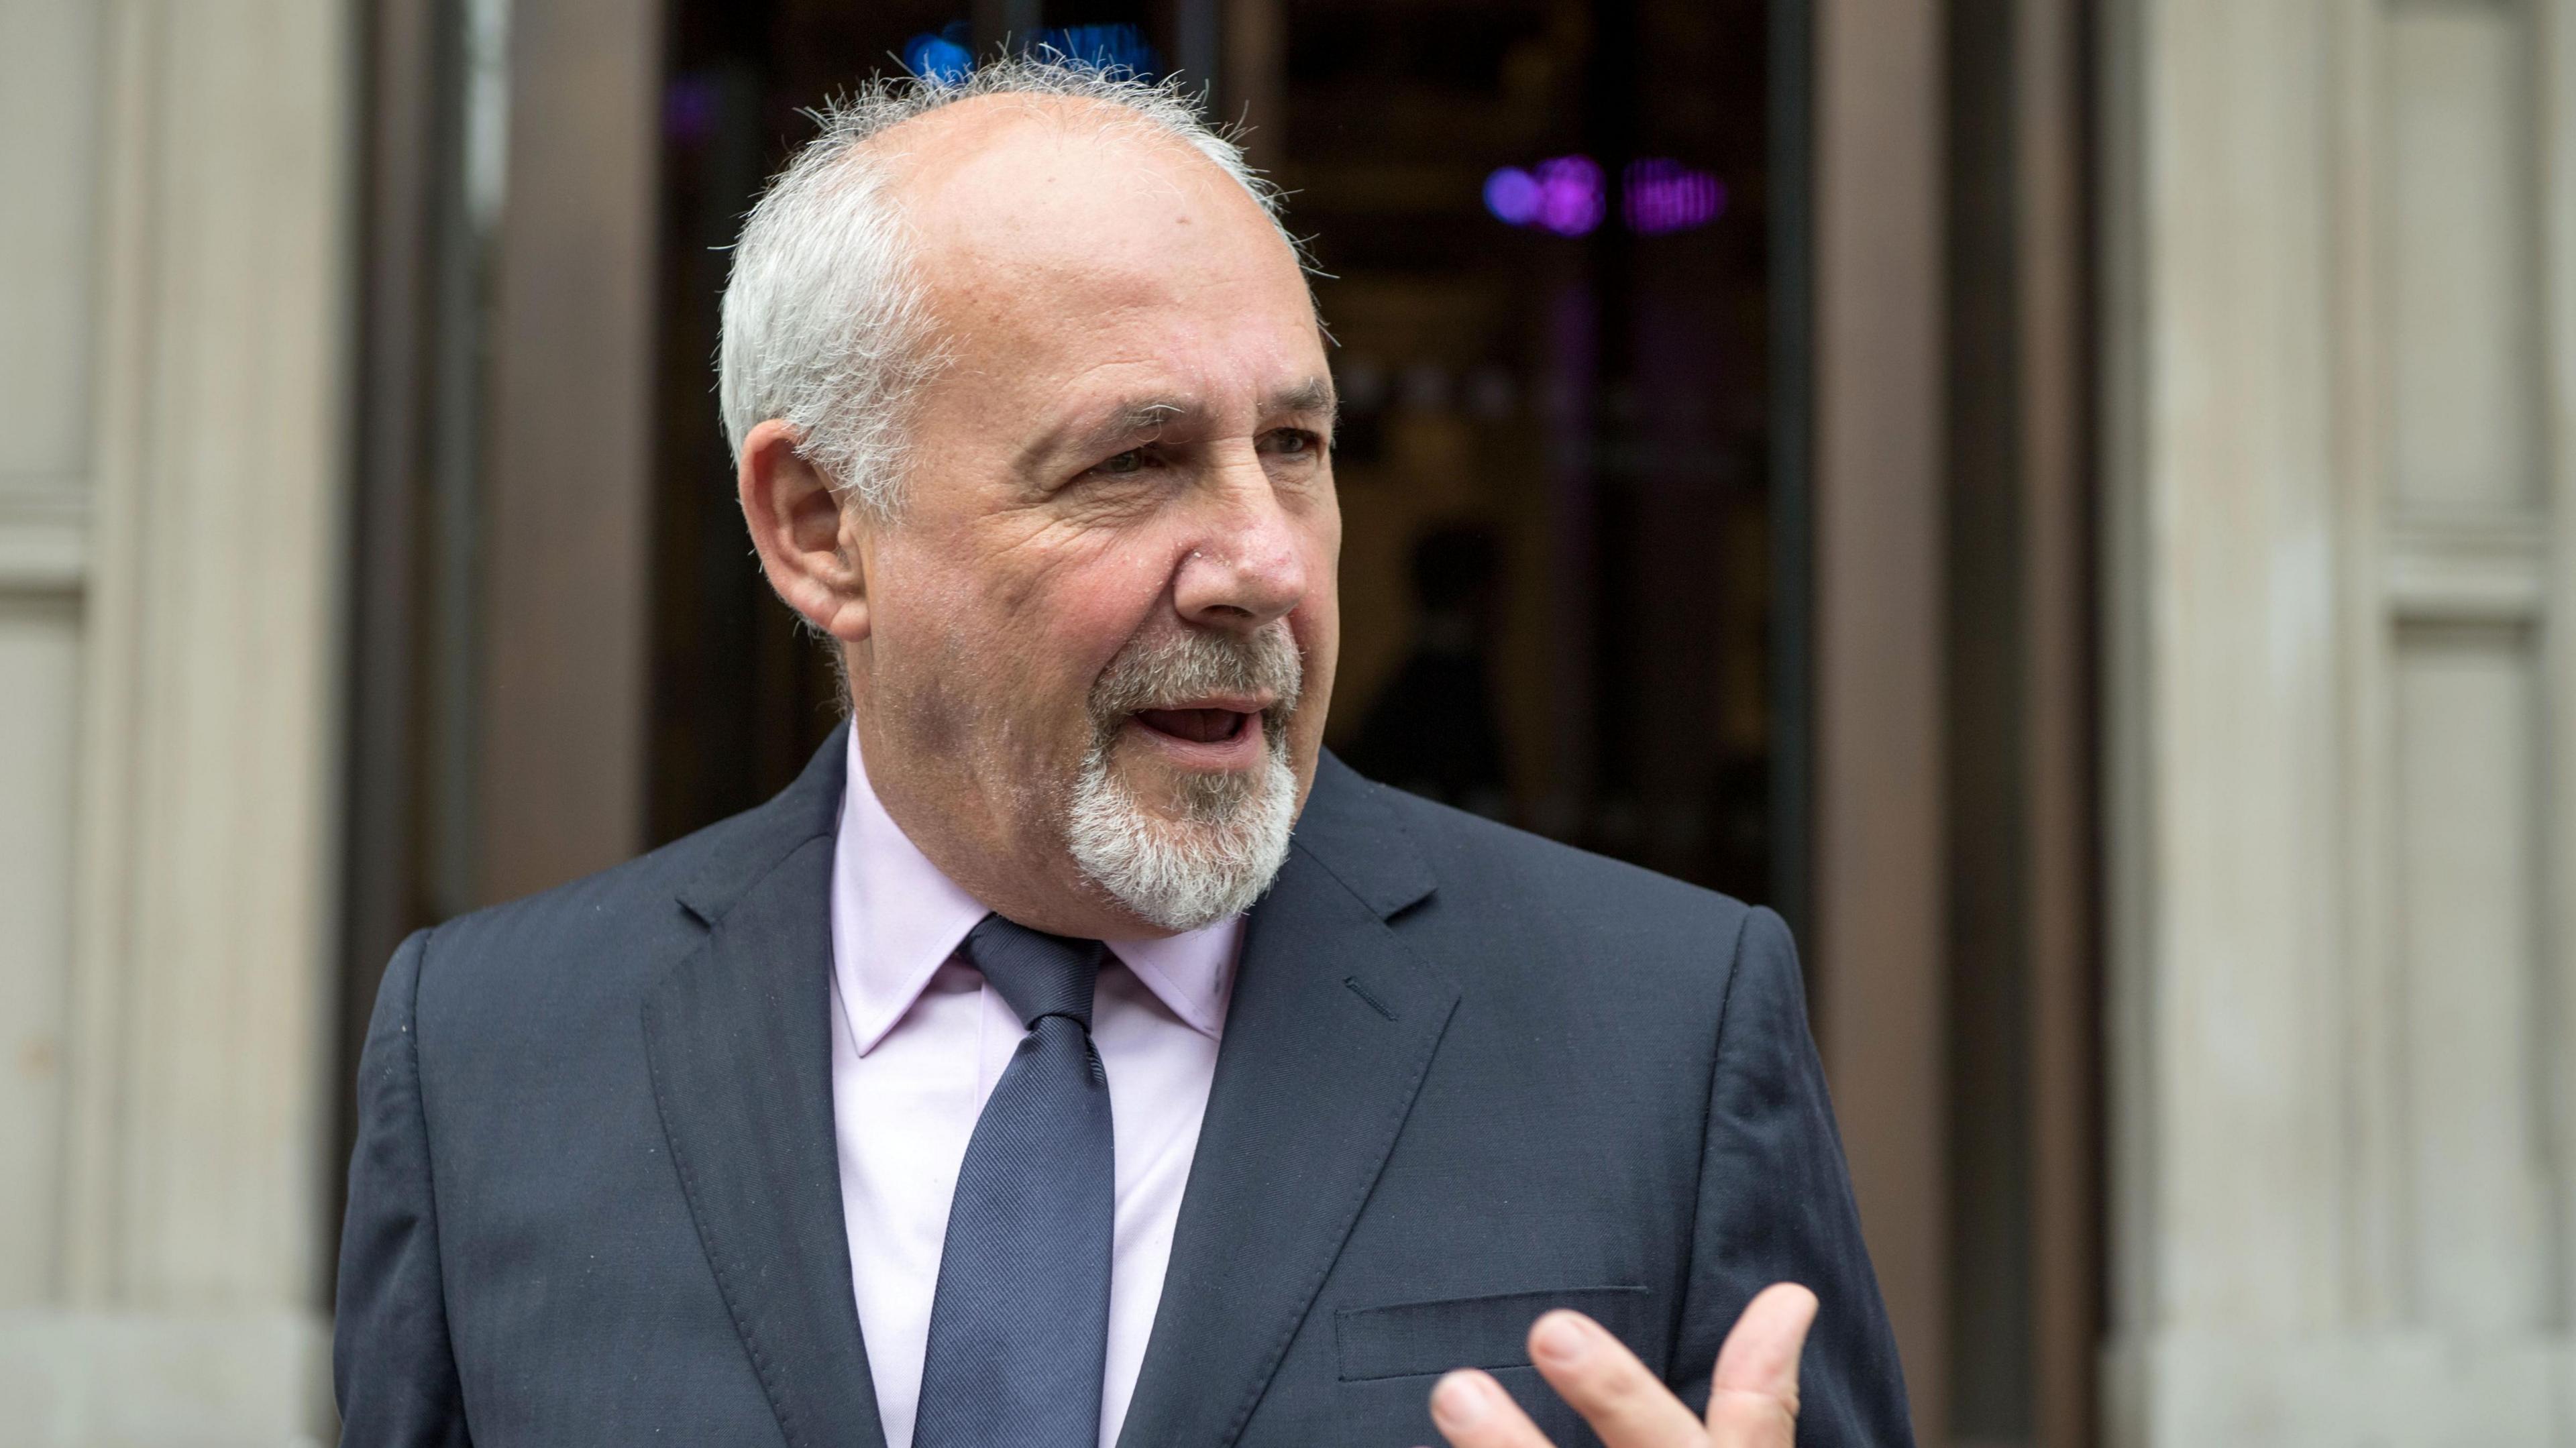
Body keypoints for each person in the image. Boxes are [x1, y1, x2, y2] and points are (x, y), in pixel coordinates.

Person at [333, 59, 1912, 1448]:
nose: (1265, 564)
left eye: (1292, 447)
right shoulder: (492, 1060)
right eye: (1136, 461)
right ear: (819, 529)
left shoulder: (1662, 1034)